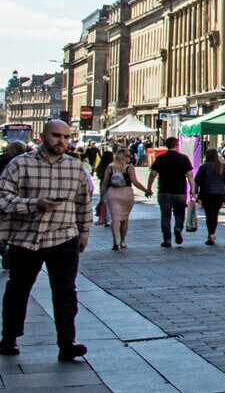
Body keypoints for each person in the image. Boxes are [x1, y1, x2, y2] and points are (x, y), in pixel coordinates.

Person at [0, 120, 93, 363]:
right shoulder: (20, 164)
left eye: (66, 136)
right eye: (56, 136)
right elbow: (3, 198)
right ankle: (9, 337)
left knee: (65, 291)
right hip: (26, 238)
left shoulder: (75, 167)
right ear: (43, 137)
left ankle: (67, 343)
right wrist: (34, 204)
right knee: (18, 289)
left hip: (63, 236)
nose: (62, 141)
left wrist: (84, 232)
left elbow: (83, 203)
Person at [147, 139, 193, 248]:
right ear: (177, 145)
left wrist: (149, 188)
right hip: (180, 192)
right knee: (179, 213)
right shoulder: (184, 158)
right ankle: (178, 228)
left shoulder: (161, 158)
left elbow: (153, 174)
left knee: (165, 215)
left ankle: (167, 239)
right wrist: (192, 189)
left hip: (164, 191)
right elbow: (190, 175)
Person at [99, 147, 139, 249]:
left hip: (113, 193)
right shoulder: (130, 168)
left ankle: (115, 240)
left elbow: (104, 184)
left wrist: (101, 197)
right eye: (129, 156)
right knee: (124, 219)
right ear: (123, 157)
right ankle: (123, 241)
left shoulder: (110, 167)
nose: (130, 157)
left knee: (115, 218)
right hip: (127, 193)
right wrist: (146, 190)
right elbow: (135, 182)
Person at [195, 148, 225, 245]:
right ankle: (212, 233)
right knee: (215, 214)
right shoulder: (223, 166)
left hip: (207, 193)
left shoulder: (204, 167)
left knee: (209, 214)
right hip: (219, 193)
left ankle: (210, 234)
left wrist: (203, 184)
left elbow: (197, 180)